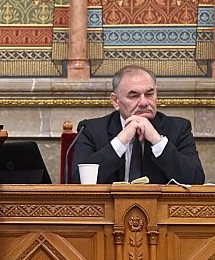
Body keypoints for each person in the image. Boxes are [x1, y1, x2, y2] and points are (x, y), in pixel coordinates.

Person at [72, 65, 204, 185]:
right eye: (134, 96)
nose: (143, 102)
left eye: (149, 94)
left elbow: (196, 180)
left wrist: (157, 141)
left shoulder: (178, 128)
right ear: (115, 101)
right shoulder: (91, 130)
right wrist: (120, 141)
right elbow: (79, 181)